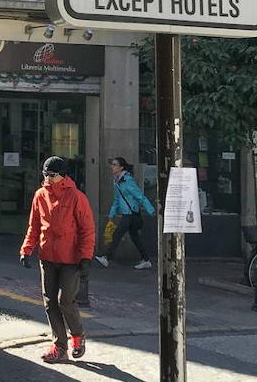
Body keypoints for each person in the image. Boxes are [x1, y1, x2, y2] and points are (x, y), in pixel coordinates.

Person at [19, 155, 96, 364]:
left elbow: (87, 230)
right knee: (50, 303)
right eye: (45, 174)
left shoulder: (77, 197)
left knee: (66, 301)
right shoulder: (40, 195)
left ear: (63, 175)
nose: (47, 178)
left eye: (51, 175)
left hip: (71, 259)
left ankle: (77, 336)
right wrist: (26, 249)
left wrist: (86, 257)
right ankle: (59, 346)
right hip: (47, 257)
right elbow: (34, 226)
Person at [95, 157, 155, 270]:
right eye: (112, 164)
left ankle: (107, 258)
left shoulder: (128, 181)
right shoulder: (117, 181)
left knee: (117, 234)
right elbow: (117, 200)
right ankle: (146, 260)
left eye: (114, 165)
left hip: (131, 213)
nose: (112, 167)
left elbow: (140, 196)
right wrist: (112, 214)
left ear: (121, 167)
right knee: (135, 237)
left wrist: (150, 210)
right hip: (127, 213)